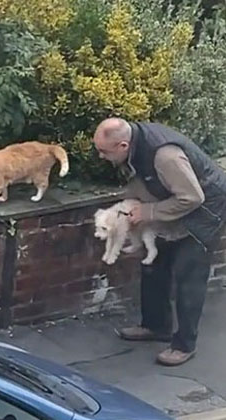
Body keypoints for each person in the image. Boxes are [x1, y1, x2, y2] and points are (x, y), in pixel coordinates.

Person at [92, 117, 226, 366]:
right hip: (174, 204)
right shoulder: (134, 148)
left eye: (104, 151)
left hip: (206, 210)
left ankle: (184, 345)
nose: (100, 156)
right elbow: (140, 184)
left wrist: (148, 213)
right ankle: (156, 326)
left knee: (189, 274)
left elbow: (192, 197)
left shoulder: (165, 156)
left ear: (122, 145)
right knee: (153, 261)